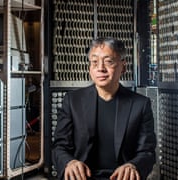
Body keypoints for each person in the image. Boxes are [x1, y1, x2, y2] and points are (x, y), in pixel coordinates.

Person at [52, 37, 156, 180]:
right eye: (94, 62)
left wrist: (133, 166)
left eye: (109, 61)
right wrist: (70, 162)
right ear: (90, 68)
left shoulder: (140, 104)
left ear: (123, 67)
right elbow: (59, 146)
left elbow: (147, 152)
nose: (100, 68)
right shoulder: (72, 101)